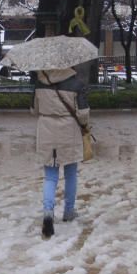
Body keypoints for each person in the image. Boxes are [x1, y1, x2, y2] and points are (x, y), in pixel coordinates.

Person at [31, 64, 90, 238]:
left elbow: (34, 109)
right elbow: (83, 113)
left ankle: (48, 214)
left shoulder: (39, 83)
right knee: (71, 173)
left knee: (50, 176)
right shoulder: (76, 84)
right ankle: (69, 211)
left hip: (46, 130)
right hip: (68, 131)